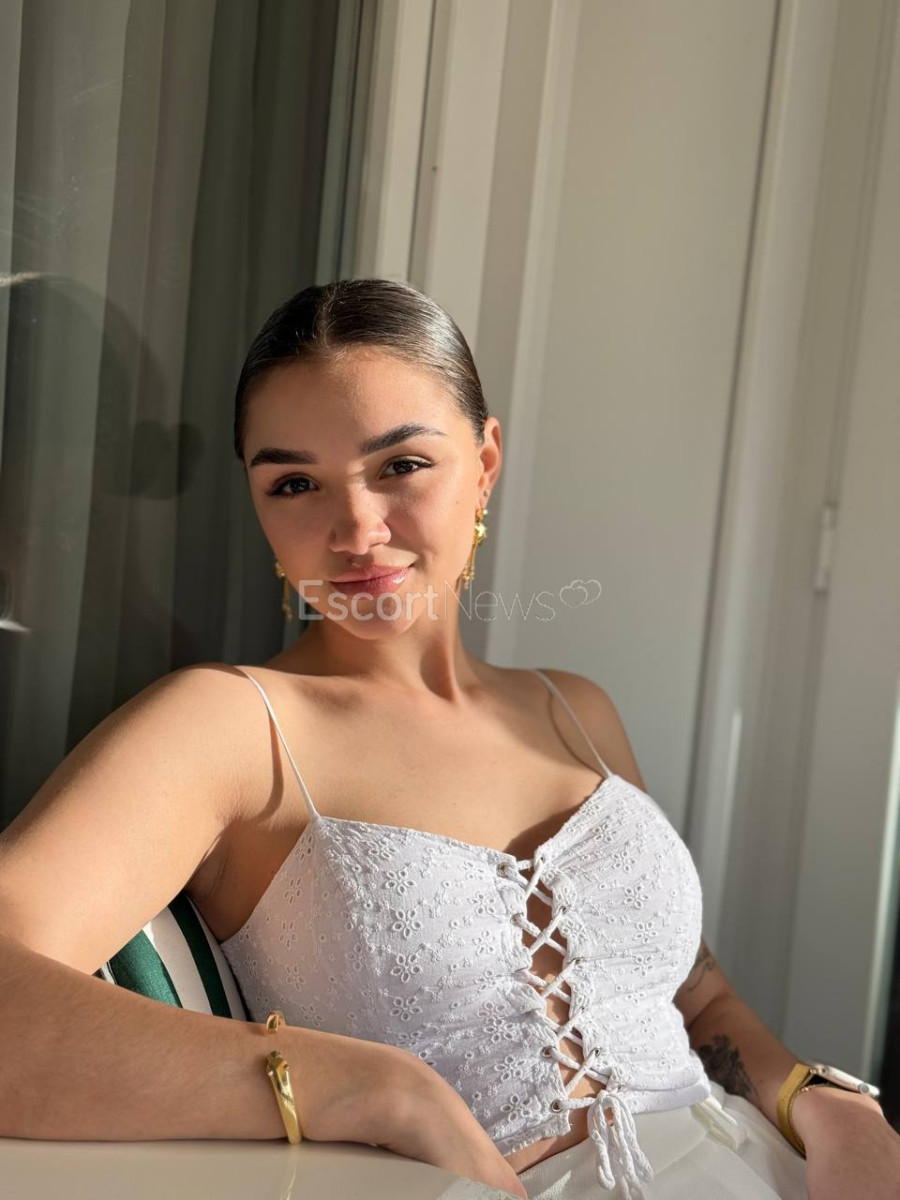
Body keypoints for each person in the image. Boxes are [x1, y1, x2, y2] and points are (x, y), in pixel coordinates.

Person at [0, 279, 897, 1200]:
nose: (356, 530)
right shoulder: (229, 727)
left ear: (485, 462)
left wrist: (824, 1103)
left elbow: (696, 996)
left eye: (401, 465)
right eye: (295, 483)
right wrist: (369, 1087)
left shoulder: (573, 712)